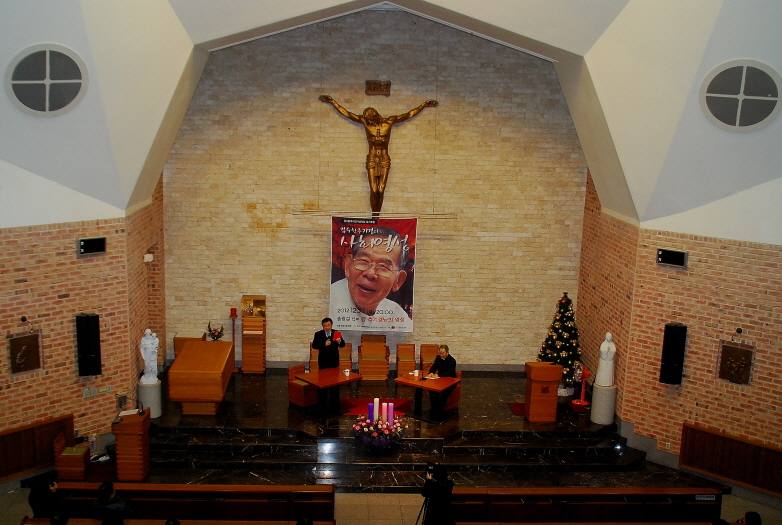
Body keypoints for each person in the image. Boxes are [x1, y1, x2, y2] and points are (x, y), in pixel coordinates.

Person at [319, 95, 438, 213]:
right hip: (372, 158)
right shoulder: (366, 122)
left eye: (370, 119)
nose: (369, 121)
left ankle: (377, 215)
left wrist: (424, 105)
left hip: (384, 158)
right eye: (368, 120)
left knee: (380, 190)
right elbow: (348, 114)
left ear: (376, 116)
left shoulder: (389, 122)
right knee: (373, 190)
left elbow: (409, 114)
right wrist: (333, 102)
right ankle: (374, 216)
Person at [330, 226, 412, 330]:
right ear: (348, 266)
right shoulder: (326, 304)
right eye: (363, 261)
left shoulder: (396, 315)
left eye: (383, 266)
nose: (370, 274)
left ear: (398, 281)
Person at [312, 317, 345, 412]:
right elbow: (314, 345)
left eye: (329, 325)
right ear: (322, 326)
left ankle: (335, 402)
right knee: (322, 381)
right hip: (323, 361)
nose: (327, 327)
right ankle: (322, 402)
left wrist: (339, 341)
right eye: (325, 326)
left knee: (335, 382)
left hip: (334, 361)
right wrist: (324, 344)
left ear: (331, 325)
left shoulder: (336, 333)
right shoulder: (318, 334)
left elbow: (343, 344)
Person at [427, 345, 457, 415]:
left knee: (445, 392)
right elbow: (434, 367)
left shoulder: (452, 361)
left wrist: (438, 375)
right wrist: (431, 372)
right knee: (432, 390)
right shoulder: (438, 358)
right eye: (440, 353)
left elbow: (449, 373)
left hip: (450, 380)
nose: (441, 355)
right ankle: (434, 407)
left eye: (443, 353)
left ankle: (439, 409)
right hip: (440, 380)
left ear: (447, 353)